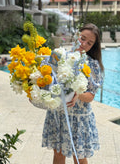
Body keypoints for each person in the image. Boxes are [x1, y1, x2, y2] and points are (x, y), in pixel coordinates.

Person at [42, 23, 104, 164]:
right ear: (77, 35)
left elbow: (91, 96)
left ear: (92, 46)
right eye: (82, 38)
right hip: (58, 114)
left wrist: (78, 94)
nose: (84, 44)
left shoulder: (92, 65)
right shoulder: (59, 55)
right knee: (58, 155)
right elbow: (48, 80)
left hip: (79, 118)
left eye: (89, 43)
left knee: (79, 157)